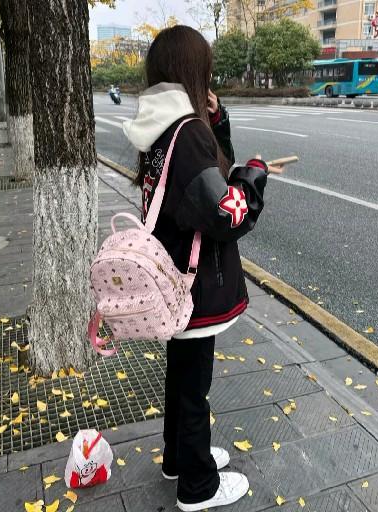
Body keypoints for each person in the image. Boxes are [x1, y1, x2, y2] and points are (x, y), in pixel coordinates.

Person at [122, 25, 281, 511]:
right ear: (194, 70)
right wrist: (254, 178)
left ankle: (179, 457)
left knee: (182, 378)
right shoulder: (187, 132)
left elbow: (210, 172)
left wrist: (218, 119)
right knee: (194, 388)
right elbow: (225, 213)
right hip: (193, 282)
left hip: (169, 275)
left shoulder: (161, 126)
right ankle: (198, 486)